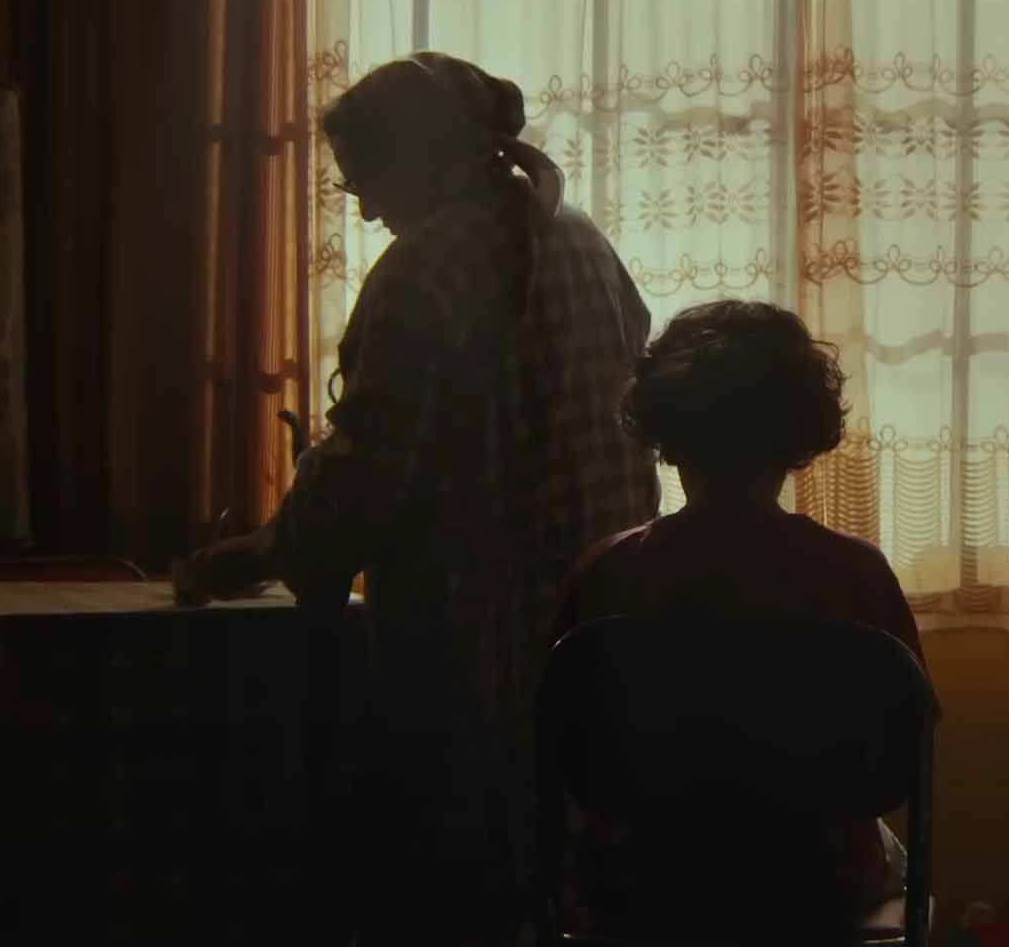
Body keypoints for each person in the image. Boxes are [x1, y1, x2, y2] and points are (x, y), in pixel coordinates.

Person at [180, 52, 660, 945]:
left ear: (424, 158)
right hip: (600, 628)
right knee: (564, 887)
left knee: (459, 895)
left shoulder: (424, 269)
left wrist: (270, 548)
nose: (363, 209)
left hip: (477, 643)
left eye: (366, 180)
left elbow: (371, 471)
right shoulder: (583, 240)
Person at [552, 299, 931, 939]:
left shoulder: (606, 574)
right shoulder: (855, 574)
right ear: (799, 435)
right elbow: (903, 758)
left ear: (666, 433)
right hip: (817, 882)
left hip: (645, 881)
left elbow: (570, 754)